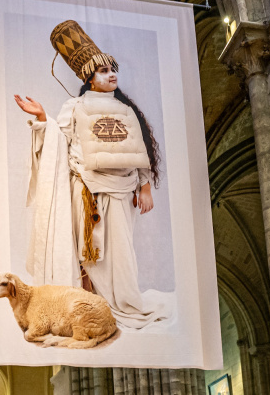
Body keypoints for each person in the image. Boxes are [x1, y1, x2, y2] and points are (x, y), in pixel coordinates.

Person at [14, 20, 172, 330]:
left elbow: (136, 150)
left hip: (123, 191)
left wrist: (145, 187)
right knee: (89, 254)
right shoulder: (74, 107)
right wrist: (43, 117)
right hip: (86, 191)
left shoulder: (126, 110)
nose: (111, 74)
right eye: (103, 71)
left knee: (121, 253)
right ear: (89, 77)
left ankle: (122, 303)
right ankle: (91, 305)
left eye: (113, 69)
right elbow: (59, 144)